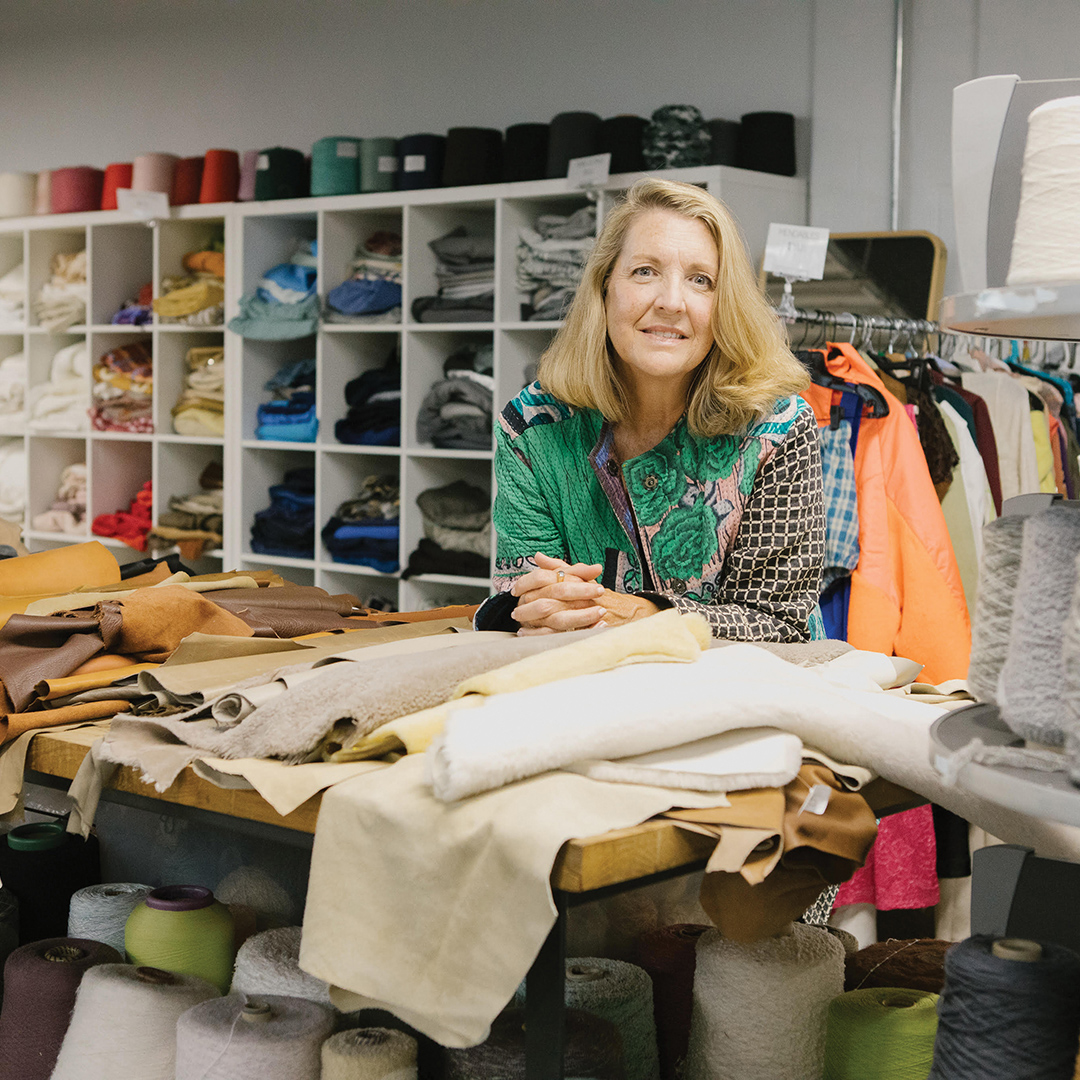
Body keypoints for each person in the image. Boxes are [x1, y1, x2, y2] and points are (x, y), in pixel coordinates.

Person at [475, 177, 825, 639]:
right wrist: (540, 607)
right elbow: (520, 597)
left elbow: (782, 623)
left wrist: (642, 615)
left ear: (725, 306)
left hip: (750, 700)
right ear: (605, 288)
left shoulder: (777, 429)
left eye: (701, 281)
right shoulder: (532, 429)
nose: (671, 302)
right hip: (586, 690)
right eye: (644, 271)